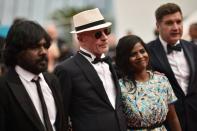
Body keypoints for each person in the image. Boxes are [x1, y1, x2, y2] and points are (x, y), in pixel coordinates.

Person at [54, 8, 127, 131]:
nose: (104, 37)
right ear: (80, 38)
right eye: (98, 34)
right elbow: (61, 115)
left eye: (106, 31)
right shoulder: (66, 70)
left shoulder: (110, 63)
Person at [0, 20, 66, 131]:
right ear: (17, 51)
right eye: (35, 47)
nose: (43, 52)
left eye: (45, 46)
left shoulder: (52, 81)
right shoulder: (3, 87)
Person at [147, 3, 197, 131]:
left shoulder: (193, 48)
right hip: (167, 123)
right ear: (158, 26)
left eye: (178, 21)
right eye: (169, 23)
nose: (176, 27)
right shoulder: (146, 52)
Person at [115, 35, 181, 131]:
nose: (140, 56)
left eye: (142, 51)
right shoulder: (120, 87)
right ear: (125, 58)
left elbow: (173, 118)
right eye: (133, 54)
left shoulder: (161, 80)